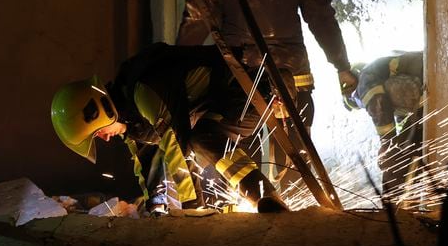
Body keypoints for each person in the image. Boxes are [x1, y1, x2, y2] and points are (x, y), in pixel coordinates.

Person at [176, 0, 357, 193]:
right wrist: (342, 66)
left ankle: (247, 205)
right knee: (293, 154)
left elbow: (196, 18)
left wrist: (180, 68)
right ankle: (292, 212)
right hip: (293, 76)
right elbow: (322, 18)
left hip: (238, 77)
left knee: (232, 147)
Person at [51, 43, 288, 214]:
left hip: (255, 91)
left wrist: (192, 208)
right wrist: (155, 207)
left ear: (99, 112)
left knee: (200, 141)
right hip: (226, 103)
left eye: (96, 133)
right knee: (199, 144)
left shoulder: (143, 93)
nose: (103, 139)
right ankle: (244, 199)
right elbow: (146, 161)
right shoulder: (129, 116)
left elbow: (177, 146)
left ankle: (265, 196)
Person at [344, 51, 424, 200]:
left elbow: (378, 103)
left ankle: (394, 205)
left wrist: (388, 144)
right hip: (422, 96)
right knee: (406, 149)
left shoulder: (365, 78)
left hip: (423, 87)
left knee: (395, 156)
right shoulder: (383, 72)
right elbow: (402, 120)